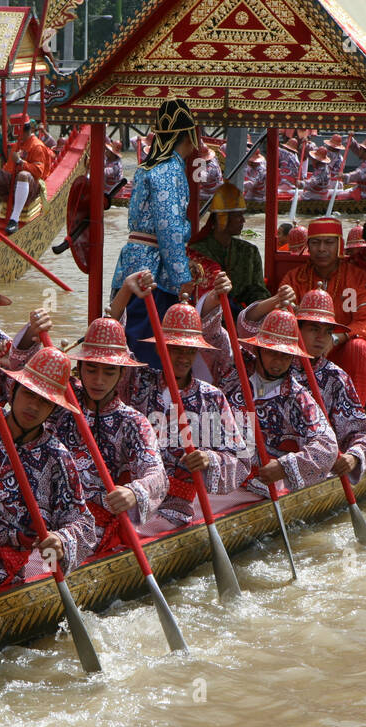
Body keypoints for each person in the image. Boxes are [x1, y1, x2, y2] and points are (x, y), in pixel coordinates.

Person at [0, 345, 97, 589]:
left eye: (44, 402)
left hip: (2, 561)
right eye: (29, 394)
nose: (33, 406)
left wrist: (61, 540)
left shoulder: (57, 457)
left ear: (53, 409)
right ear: (14, 390)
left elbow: (84, 525)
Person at [120, 289, 250, 528]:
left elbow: (241, 462)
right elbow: (114, 351)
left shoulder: (211, 397)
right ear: (161, 348)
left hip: (177, 504)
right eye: (175, 349)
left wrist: (208, 459)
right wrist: (126, 290)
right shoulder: (138, 382)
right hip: (134, 493)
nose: (182, 358)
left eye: (189, 351)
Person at [40, 318, 166, 554]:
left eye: (108, 372)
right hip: (43, 513)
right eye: (91, 369)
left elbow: (157, 474)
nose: (98, 381)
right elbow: (18, 390)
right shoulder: (62, 400)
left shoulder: (134, 422)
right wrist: (28, 338)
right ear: (80, 368)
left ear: (121, 374)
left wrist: (134, 492)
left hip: (90, 526)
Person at [114, 98, 199, 368]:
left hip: (134, 261)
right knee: (147, 349)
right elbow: (170, 229)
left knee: (127, 336)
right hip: (154, 272)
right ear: (190, 135)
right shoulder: (169, 170)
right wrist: (182, 277)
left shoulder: (147, 166)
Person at [218, 309, 338, 498]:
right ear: (258, 350)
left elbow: (327, 446)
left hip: (263, 483)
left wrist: (283, 467)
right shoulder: (235, 371)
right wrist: (215, 299)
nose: (278, 362)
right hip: (222, 472)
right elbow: (213, 334)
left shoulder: (298, 398)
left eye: (285, 356)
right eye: (272, 353)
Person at [271, 217, 366, 400]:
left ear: (339, 245)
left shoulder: (356, 277)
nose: (321, 249)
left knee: (359, 347)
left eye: (328, 243)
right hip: (304, 347)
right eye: (315, 243)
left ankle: (353, 416)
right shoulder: (294, 278)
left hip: (343, 346)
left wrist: (336, 338)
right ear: (308, 245)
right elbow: (283, 315)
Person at [292, 286, 366, 484]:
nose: (321, 338)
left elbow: (362, 433)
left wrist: (353, 456)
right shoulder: (277, 365)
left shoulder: (336, 378)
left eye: (326, 331)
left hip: (313, 466)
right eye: (313, 329)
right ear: (299, 329)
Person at [187, 184, 270, 313]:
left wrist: (261, 309)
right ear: (222, 218)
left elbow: (257, 290)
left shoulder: (249, 251)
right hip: (207, 313)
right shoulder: (197, 251)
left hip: (242, 316)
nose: (243, 221)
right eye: (238, 216)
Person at [0, 115, 53, 235]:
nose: (16, 138)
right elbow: (8, 168)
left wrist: (21, 162)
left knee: (23, 175)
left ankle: (14, 219)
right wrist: (3, 177)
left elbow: (38, 172)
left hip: (31, 183)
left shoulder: (37, 146)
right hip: (15, 180)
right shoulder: (17, 145)